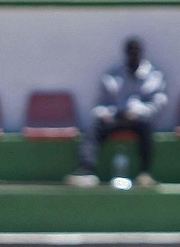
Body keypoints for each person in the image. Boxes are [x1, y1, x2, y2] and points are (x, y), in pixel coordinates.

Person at [67, 37, 166, 189]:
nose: (133, 54)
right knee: (94, 129)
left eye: (136, 51)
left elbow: (158, 102)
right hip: (115, 118)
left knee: (147, 127)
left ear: (141, 53)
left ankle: (145, 174)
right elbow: (100, 104)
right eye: (130, 51)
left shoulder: (153, 76)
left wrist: (138, 112)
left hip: (137, 119)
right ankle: (86, 170)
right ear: (125, 53)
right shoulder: (112, 75)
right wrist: (105, 114)